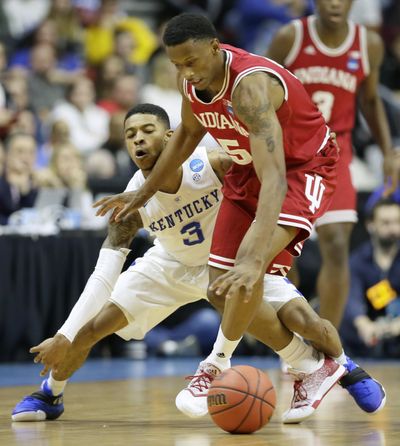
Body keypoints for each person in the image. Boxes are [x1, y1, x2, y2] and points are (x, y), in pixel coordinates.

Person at [93, 14, 386, 422]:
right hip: (248, 170)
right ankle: (325, 367)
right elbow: (186, 136)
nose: (186, 72)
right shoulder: (191, 81)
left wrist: (253, 256)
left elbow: (276, 178)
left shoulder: (249, 88)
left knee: (248, 269)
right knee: (220, 290)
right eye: (177, 65)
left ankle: (214, 365)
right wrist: (142, 192)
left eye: (191, 61)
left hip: (302, 170)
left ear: (216, 48)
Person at [12, 104, 383, 425]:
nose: (138, 139)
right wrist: (65, 334)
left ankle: (347, 369)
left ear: (171, 135)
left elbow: (269, 183)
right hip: (169, 264)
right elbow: (103, 274)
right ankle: (51, 394)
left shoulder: (211, 163)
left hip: (230, 262)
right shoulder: (130, 203)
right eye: (130, 134)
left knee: (307, 322)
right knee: (92, 327)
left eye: (147, 130)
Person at [266, 0, 398, 328]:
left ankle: (329, 349)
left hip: (335, 154)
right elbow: (260, 94)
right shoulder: (289, 38)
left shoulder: (369, 43)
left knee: (337, 245)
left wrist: (387, 153)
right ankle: (290, 334)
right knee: (282, 255)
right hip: (290, 156)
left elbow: (369, 101)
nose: (336, 2)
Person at [341, 198, 400, 357]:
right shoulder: (357, 260)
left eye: (397, 222)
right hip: (365, 338)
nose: (393, 229)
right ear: (370, 225)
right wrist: (363, 324)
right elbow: (352, 297)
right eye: (386, 223)